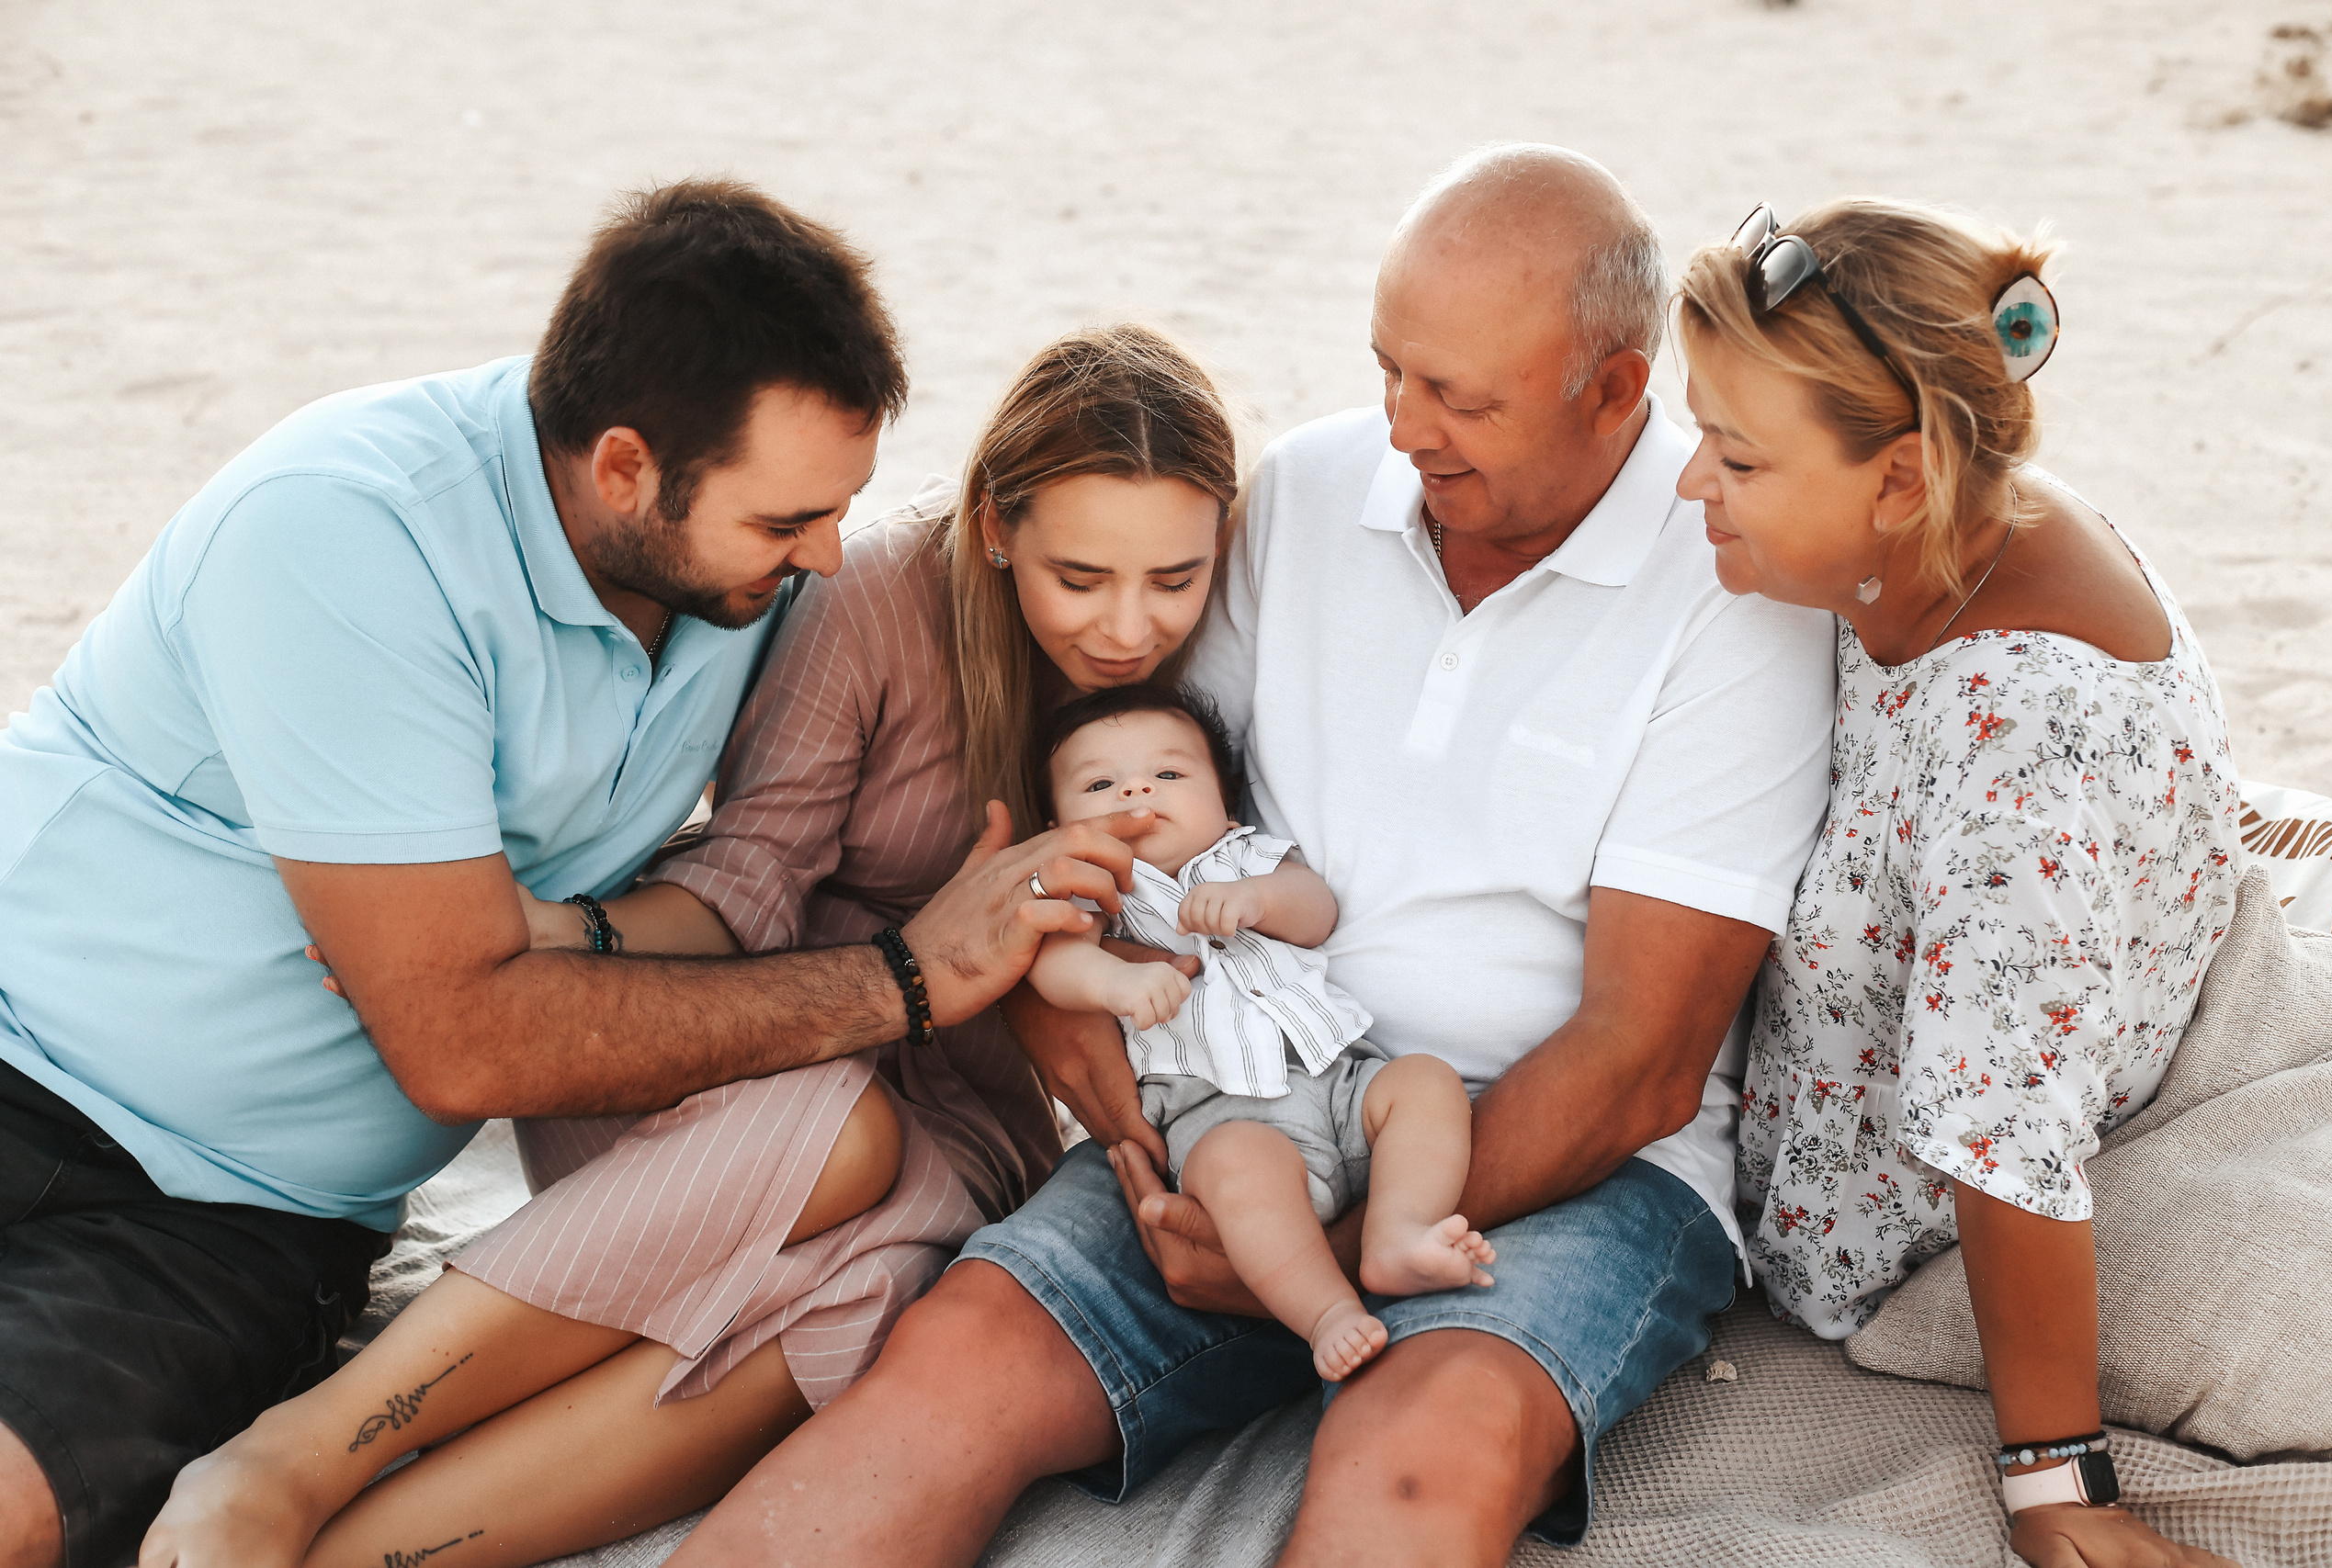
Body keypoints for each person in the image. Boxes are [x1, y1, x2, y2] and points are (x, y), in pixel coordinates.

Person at [657, 142, 1839, 1568]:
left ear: (1614, 390)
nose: (1403, 425)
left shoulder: (1727, 579)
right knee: (955, 1359)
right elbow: (1114, 824)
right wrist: (1175, 1163)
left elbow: (1644, 1056)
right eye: (1391, 367)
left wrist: (1323, 1251)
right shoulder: (1312, 488)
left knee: (1423, 1455)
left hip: (1570, 1158)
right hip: (1236, 1091)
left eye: (1459, 395)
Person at [0, 177, 1153, 1568]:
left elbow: (736, 878)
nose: (825, 553)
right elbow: (464, 1043)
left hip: (235, 1218)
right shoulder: (350, 535)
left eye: (834, 511)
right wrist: (904, 981)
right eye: (787, 520)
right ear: (623, 468)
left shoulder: (733, 585)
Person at [1676, 199, 2242, 1568]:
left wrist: (2059, 1484)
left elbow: (2008, 1130)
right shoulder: (1966, 523)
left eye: (1737, 456)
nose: (1693, 483)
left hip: (1886, 1234)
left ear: (1901, 476)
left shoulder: (2015, 745)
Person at [1027, 683, 1495, 1382]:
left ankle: (1398, 1230)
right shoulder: (1095, 888)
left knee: (1425, 1082)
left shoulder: (1248, 857)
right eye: (1100, 784)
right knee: (1240, 1172)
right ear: (1060, 822)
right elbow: (1054, 963)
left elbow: (1317, 910)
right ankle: (1327, 1310)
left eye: (1169, 774)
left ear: (1224, 799)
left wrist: (1257, 899)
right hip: (1219, 1113)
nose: (1136, 792)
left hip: (1338, 1078)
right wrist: (1114, 982)